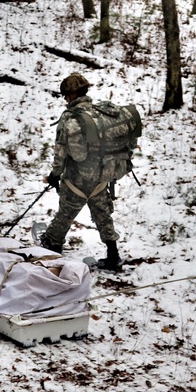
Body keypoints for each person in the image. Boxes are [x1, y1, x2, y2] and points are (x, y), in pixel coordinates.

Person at [37, 73, 123, 271]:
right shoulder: (100, 113)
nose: (65, 99)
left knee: (65, 213)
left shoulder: (69, 118)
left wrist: (54, 174)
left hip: (76, 179)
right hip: (101, 177)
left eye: (65, 95)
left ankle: (53, 245)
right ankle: (113, 256)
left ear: (70, 95)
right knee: (103, 215)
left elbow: (61, 152)